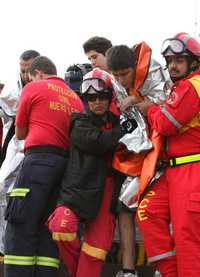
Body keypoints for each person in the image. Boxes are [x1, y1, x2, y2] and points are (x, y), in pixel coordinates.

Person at [47, 68, 137, 277]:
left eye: (102, 97)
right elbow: (98, 142)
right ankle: (77, 270)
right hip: (79, 189)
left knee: (96, 249)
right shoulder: (79, 122)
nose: (97, 101)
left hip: (108, 190)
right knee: (61, 227)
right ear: (85, 99)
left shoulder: (118, 122)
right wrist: (124, 130)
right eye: (91, 97)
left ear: (110, 98)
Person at [4, 56, 84, 277]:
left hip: (38, 162)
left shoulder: (34, 88)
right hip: (65, 168)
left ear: (37, 73)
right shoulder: (75, 99)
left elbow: (19, 133)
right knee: (48, 226)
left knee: (20, 221)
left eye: (28, 77)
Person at [136, 32, 200, 277]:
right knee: (147, 210)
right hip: (175, 171)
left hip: (191, 171)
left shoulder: (192, 86)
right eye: (169, 59)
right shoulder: (182, 87)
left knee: (188, 241)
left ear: (193, 62)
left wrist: (151, 109)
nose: (172, 65)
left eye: (179, 60)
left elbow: (166, 123)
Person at [0, 50, 40, 257]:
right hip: (14, 146)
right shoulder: (12, 90)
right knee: (2, 188)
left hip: (38, 149)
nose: (25, 75)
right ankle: (3, 247)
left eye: (29, 70)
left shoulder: (46, 88)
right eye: (22, 70)